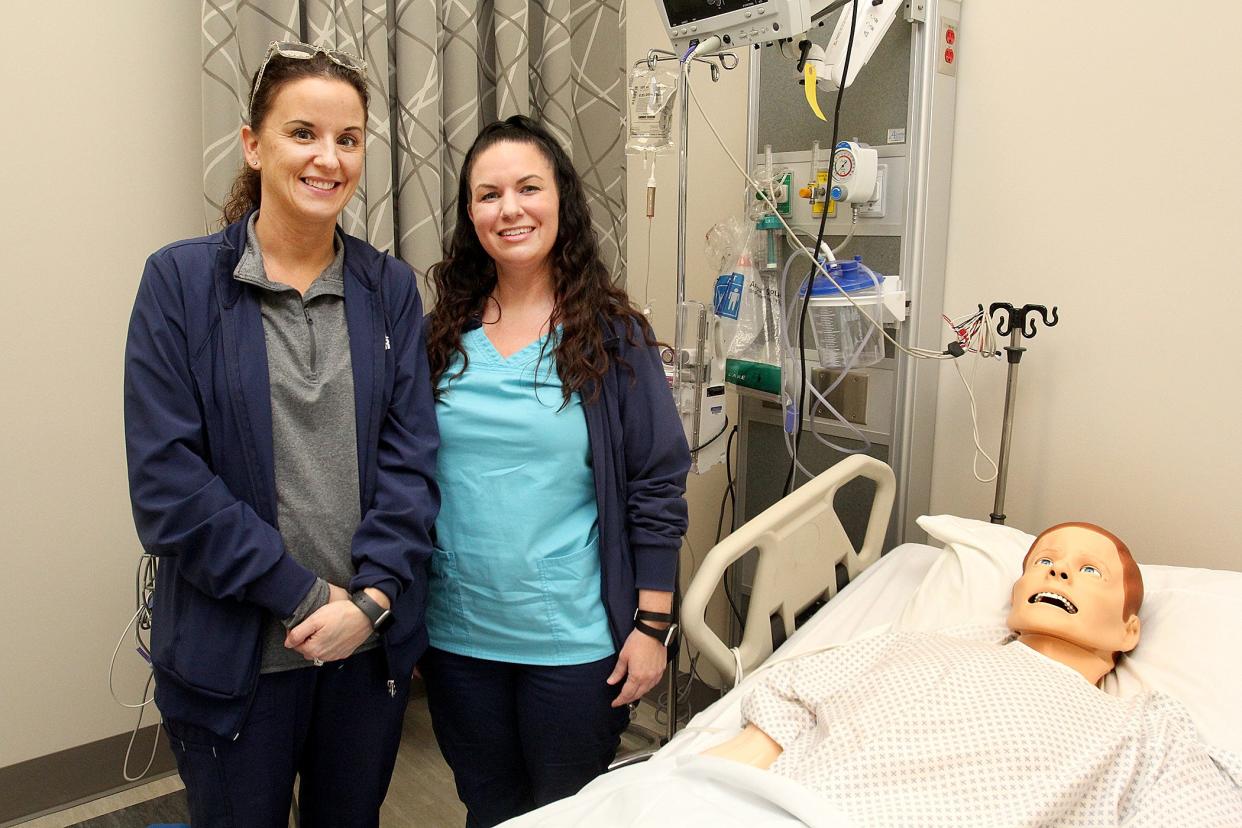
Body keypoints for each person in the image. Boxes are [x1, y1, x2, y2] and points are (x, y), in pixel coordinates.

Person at [123, 41, 439, 827]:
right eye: (303, 133)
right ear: (253, 143)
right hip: (237, 664)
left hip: (364, 658)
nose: (328, 158)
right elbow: (168, 489)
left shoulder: (388, 288)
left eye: (349, 139)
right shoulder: (182, 284)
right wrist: (302, 595)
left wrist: (368, 603)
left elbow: (413, 465)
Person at [501, 523, 1242, 826]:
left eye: (1087, 571)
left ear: (1129, 630)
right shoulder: (917, 645)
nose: (1056, 573)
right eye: (1043, 562)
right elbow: (776, 716)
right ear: (1015, 596)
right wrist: (669, 786)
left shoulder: (1145, 731)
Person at [419, 114, 691, 827]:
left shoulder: (613, 338)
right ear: (469, 213)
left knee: (565, 815)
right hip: (457, 636)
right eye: (487, 194)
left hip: (572, 645)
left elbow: (656, 487)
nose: (509, 208)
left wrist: (651, 627)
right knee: (488, 807)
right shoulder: (442, 333)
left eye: (528, 188)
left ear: (561, 201)